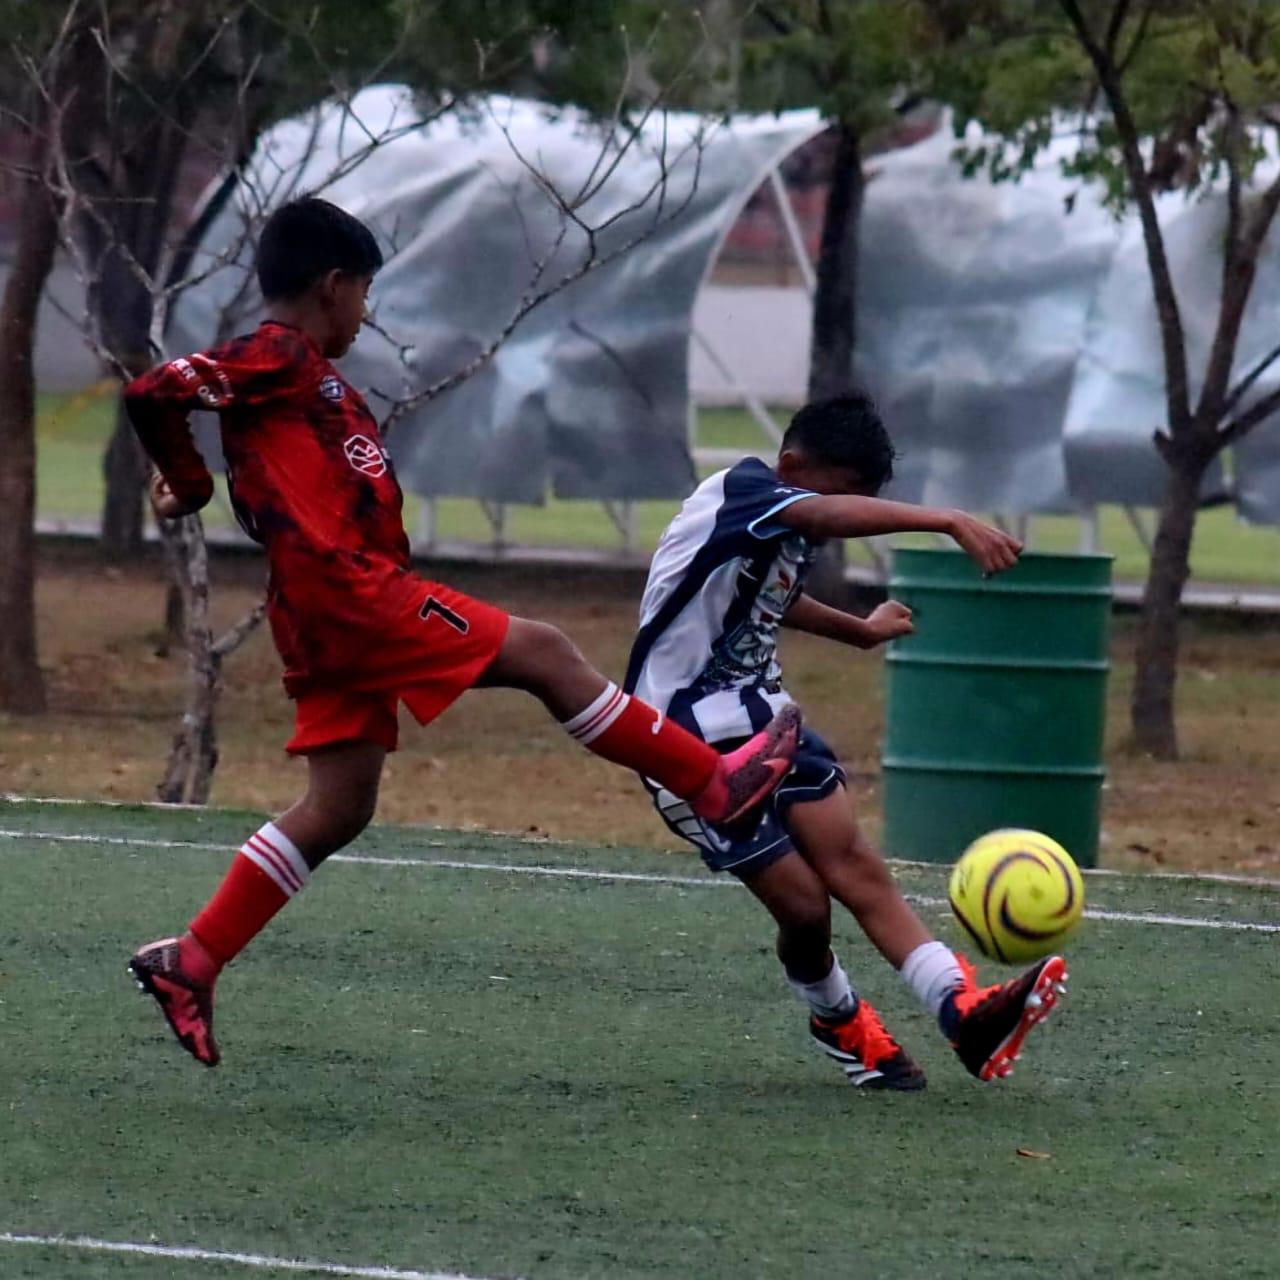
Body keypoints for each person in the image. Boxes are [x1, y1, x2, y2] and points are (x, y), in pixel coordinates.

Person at [123, 196, 800, 1068]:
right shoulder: (278, 355)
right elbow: (157, 390)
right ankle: (713, 783)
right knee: (546, 652)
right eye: (364, 291)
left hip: (321, 606)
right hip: (351, 596)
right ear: (332, 287)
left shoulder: (303, 374)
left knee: (340, 805)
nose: (366, 311)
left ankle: (194, 959)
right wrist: (189, 477)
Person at [625, 393, 1069, 1089]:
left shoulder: (786, 523)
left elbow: (772, 595)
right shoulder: (744, 491)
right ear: (793, 465)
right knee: (806, 908)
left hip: (769, 720)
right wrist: (946, 519)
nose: (840, 522)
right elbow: (822, 513)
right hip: (680, 737)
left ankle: (964, 1012)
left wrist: (857, 629)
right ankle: (835, 1016)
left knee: (856, 864)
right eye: (845, 497)